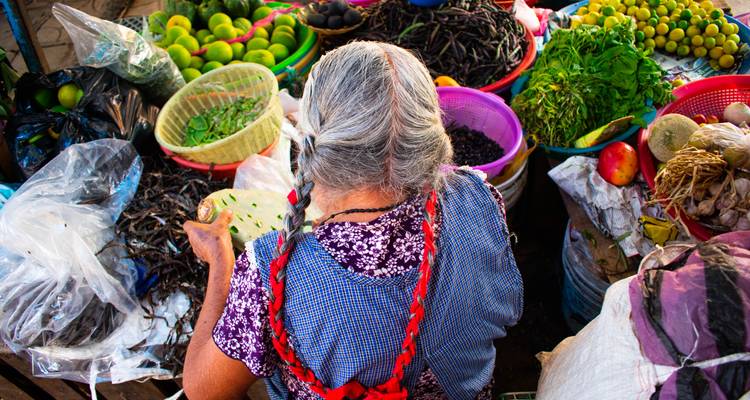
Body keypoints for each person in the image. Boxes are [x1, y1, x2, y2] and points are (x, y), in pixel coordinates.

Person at [182, 41, 523, 400]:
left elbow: (204, 390)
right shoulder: (478, 195)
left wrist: (220, 262)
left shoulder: (268, 273)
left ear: (311, 146)